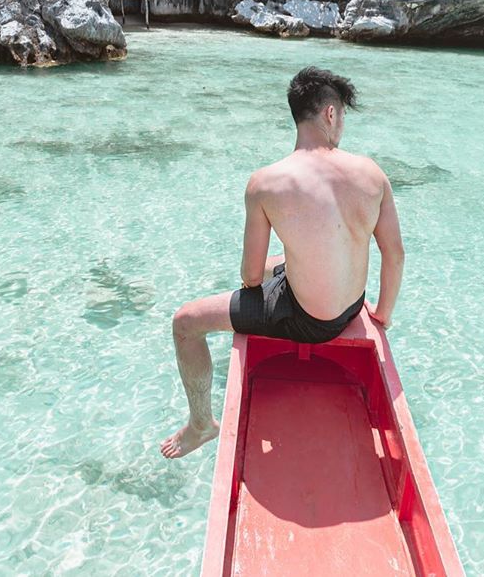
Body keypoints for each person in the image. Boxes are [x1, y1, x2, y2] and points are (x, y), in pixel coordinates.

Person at [159, 65, 405, 459]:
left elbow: (251, 277)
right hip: (354, 307)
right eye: (342, 114)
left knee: (185, 323)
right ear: (329, 113)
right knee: (285, 262)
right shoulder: (373, 174)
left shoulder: (266, 183)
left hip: (307, 321)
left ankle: (201, 424)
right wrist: (383, 315)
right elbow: (394, 254)